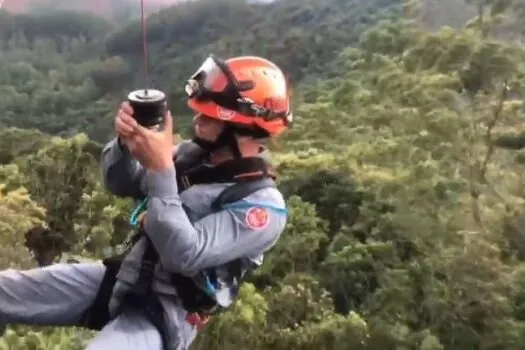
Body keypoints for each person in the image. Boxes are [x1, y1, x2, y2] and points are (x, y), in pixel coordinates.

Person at [0, 54, 292, 349]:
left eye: (210, 115)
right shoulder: (191, 158)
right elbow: (121, 183)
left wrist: (161, 169)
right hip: (123, 278)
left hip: (164, 312)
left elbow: (184, 253)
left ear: (243, 127)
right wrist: (125, 145)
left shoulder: (261, 207)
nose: (197, 118)